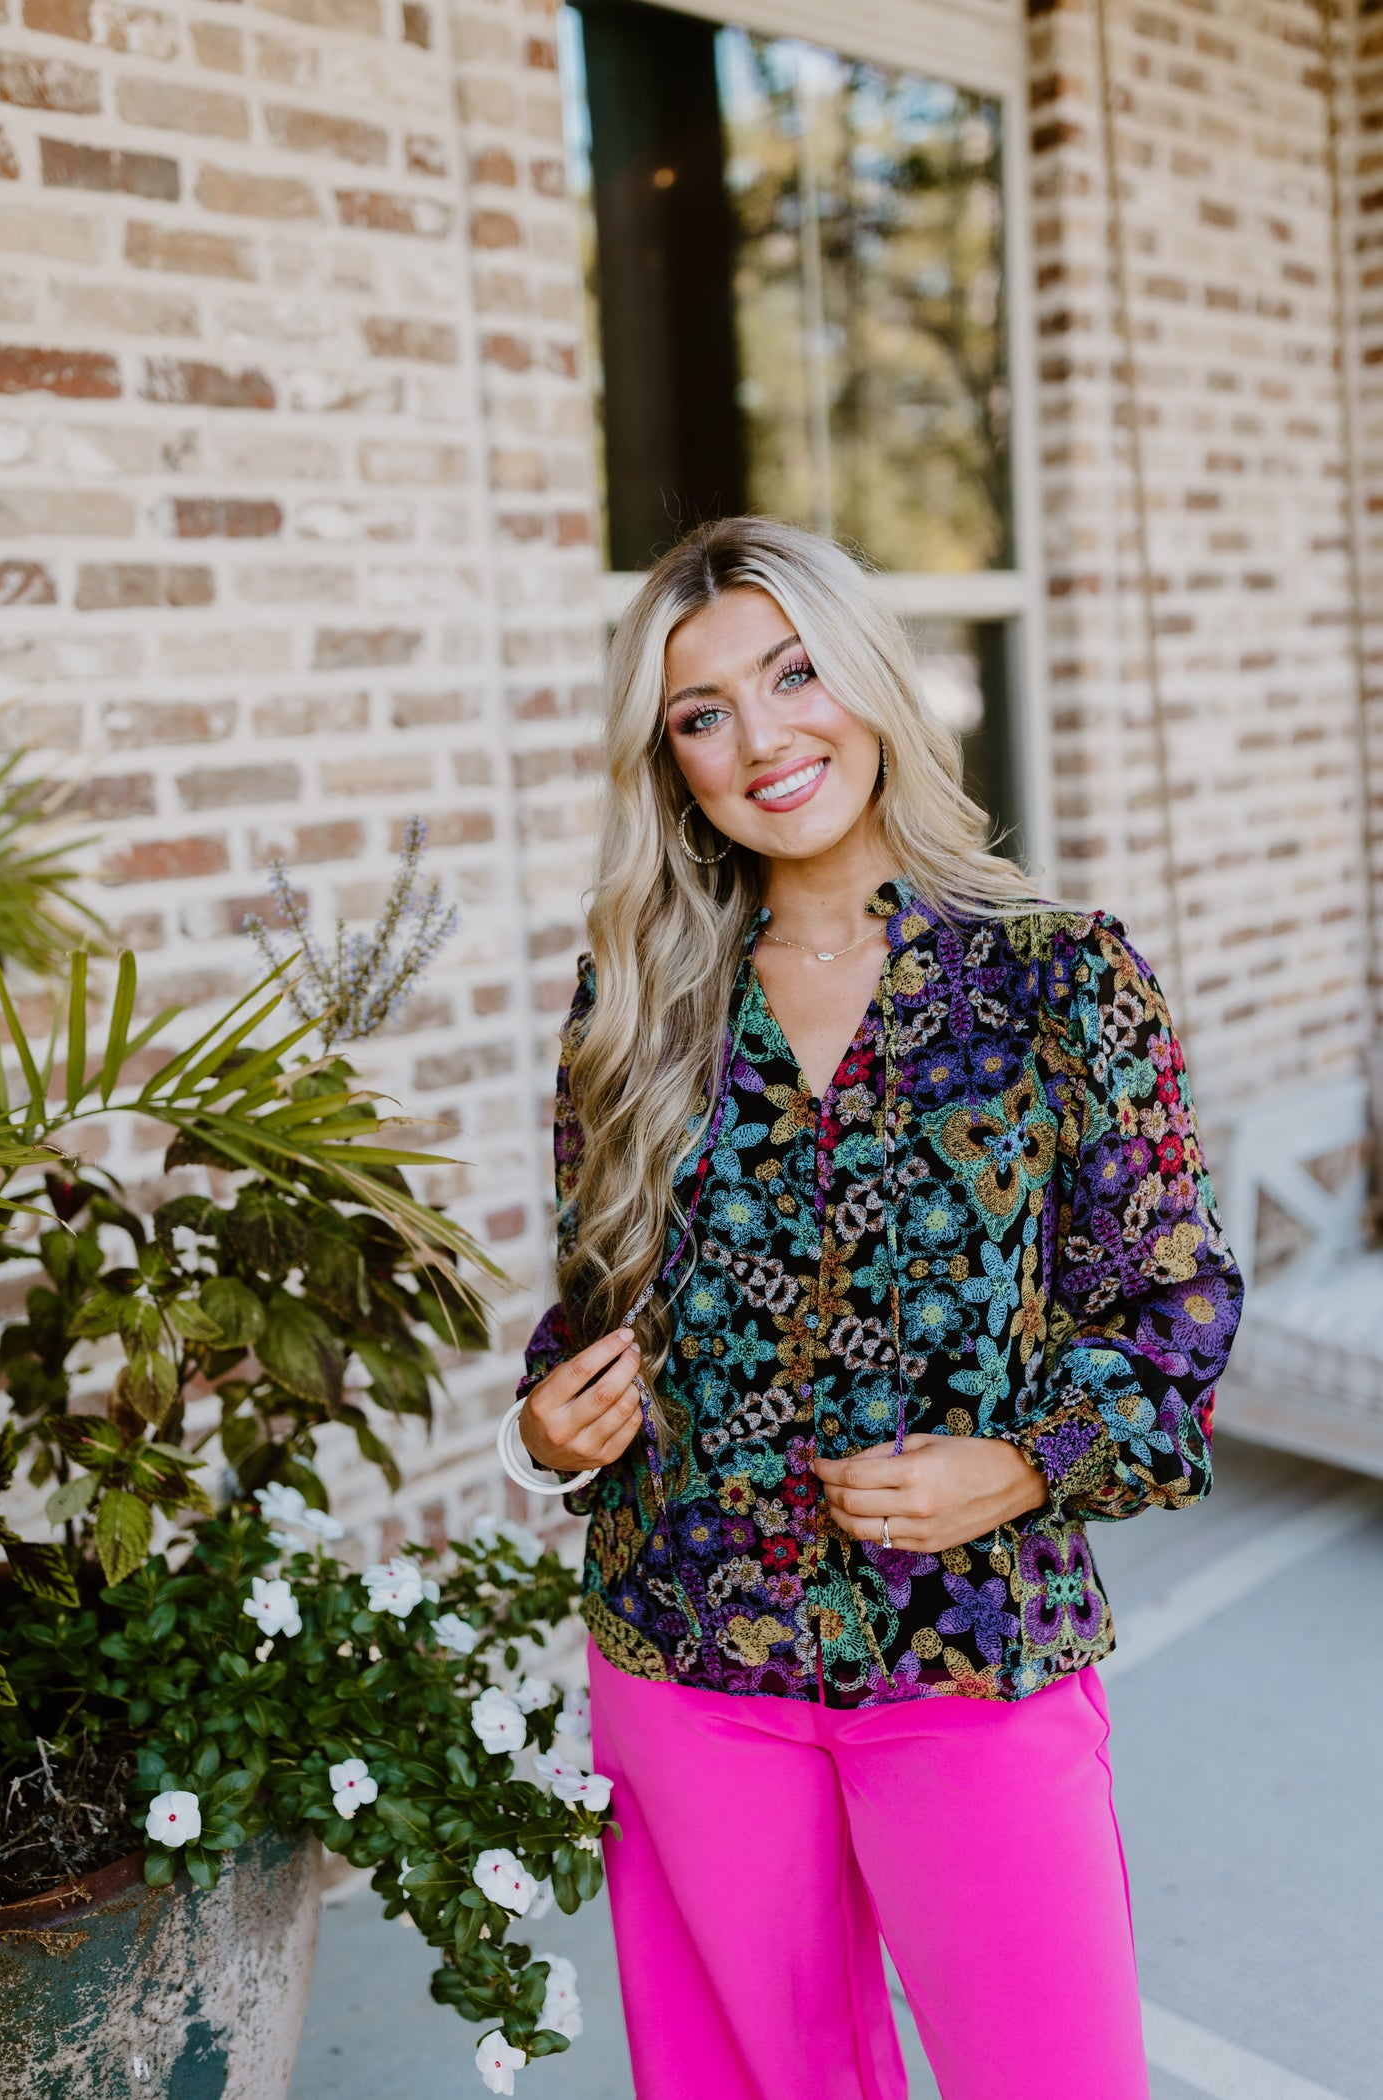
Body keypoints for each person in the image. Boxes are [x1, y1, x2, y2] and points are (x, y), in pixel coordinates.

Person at [501, 517, 1243, 2100]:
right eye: (702, 713)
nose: (762, 738)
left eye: (791, 673)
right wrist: (545, 1425)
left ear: (872, 679)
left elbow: (1172, 1306)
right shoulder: (637, 1005)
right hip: (686, 1647)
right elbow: (592, 1312)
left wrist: (1028, 1462)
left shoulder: (1062, 978)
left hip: (974, 1650)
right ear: (670, 761)